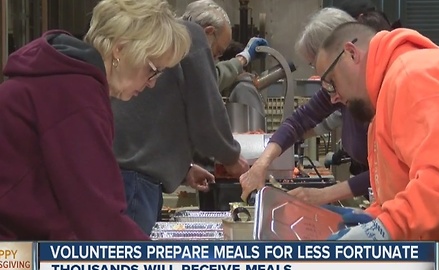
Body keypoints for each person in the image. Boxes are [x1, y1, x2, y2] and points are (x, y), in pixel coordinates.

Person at [0, 0, 191, 240]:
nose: (152, 82)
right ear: (120, 49)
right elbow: (98, 217)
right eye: (151, 69)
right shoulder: (77, 94)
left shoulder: (65, 78)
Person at [316, 21, 439, 245]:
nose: (334, 97)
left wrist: (386, 228)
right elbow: (403, 189)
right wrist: (373, 217)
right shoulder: (385, 101)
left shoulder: (412, 77)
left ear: (352, 54)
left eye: (331, 84)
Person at [111, 1, 255, 234]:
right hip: (135, 181)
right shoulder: (192, 37)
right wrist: (231, 156)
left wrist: (184, 167)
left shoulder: (161, 41)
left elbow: (157, 117)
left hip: (125, 175)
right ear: (208, 32)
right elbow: (207, 113)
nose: (214, 62)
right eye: (216, 53)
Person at [239, 6, 392, 203]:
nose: (332, 94)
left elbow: (388, 170)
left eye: (323, 69)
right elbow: (298, 121)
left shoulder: (389, 90)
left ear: (348, 53)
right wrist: (261, 164)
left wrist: (323, 194)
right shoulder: (341, 88)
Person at [181, 0, 268, 93]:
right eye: (217, 52)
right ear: (208, 32)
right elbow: (208, 81)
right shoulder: (175, 57)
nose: (214, 60)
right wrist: (243, 58)